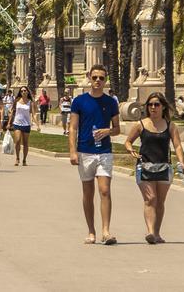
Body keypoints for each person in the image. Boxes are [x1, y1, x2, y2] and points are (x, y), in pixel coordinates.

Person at [124, 92, 184, 244]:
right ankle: (150, 232)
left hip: (164, 167)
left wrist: (181, 162)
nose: (153, 107)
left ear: (163, 107)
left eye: (156, 104)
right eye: (150, 104)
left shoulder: (170, 125)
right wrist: (130, 149)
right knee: (150, 198)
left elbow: (177, 145)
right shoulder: (141, 124)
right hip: (144, 166)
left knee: (160, 202)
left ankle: (157, 233)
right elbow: (128, 141)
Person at [69, 64, 121, 245]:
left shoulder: (110, 102)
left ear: (105, 80)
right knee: (88, 193)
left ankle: (106, 231)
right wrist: (72, 151)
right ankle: (91, 231)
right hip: (85, 151)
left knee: (105, 190)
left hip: (104, 152)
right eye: (95, 77)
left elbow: (117, 129)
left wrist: (107, 131)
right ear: (89, 78)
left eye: (101, 78)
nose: (98, 81)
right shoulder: (79, 101)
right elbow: (73, 127)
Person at [6, 86, 39, 166]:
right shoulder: (16, 101)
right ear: (20, 92)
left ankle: (24, 159)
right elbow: (12, 112)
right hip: (17, 123)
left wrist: (38, 125)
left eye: (25, 90)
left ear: (27, 92)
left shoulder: (30, 102)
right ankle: (17, 158)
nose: (23, 92)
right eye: (22, 91)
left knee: (25, 143)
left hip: (26, 124)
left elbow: (33, 114)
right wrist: (9, 123)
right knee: (17, 141)